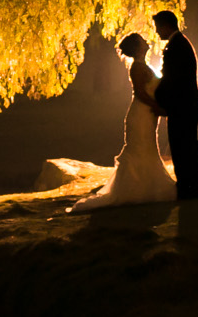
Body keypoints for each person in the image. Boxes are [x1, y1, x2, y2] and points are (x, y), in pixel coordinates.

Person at [66, 31, 178, 211]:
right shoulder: (137, 68)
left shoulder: (143, 66)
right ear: (138, 47)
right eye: (142, 40)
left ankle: (146, 187)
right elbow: (141, 94)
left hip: (147, 113)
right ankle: (135, 190)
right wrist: (158, 107)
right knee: (140, 148)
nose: (146, 41)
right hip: (141, 113)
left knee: (147, 148)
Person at [154, 9, 198, 199]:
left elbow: (172, 79)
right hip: (186, 105)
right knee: (186, 146)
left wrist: (159, 100)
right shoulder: (179, 44)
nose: (157, 32)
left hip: (182, 106)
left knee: (182, 146)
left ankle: (188, 187)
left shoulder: (177, 46)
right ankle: (190, 186)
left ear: (166, 26)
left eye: (158, 28)